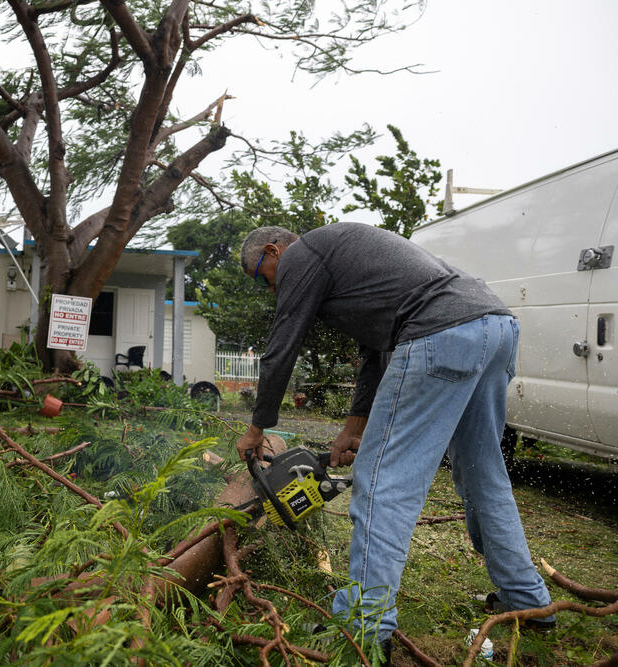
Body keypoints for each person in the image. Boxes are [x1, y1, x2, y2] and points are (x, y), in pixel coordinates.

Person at [234, 223, 554, 661]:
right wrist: (354, 427)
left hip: (441, 331)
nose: (271, 288)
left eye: (261, 278)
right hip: (494, 326)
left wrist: (258, 427)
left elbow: (282, 344)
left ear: (273, 251)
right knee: (484, 474)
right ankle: (528, 600)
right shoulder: (346, 261)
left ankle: (365, 626)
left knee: (383, 482)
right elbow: (376, 351)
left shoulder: (302, 255)